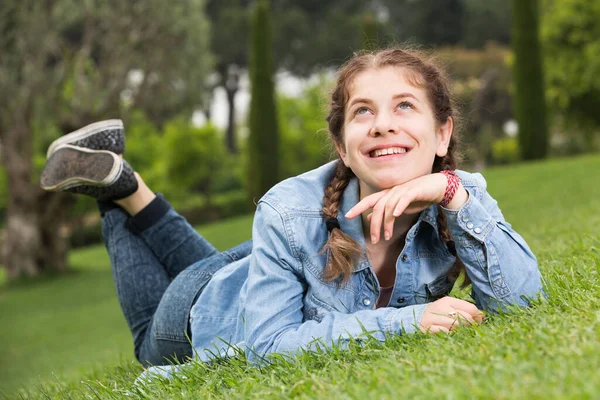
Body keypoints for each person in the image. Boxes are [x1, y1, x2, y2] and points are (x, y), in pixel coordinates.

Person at [40, 48, 544, 368]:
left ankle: (126, 184)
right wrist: (408, 321)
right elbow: (267, 346)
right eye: (363, 111)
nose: (383, 124)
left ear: (443, 133)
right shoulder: (291, 209)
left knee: (217, 265)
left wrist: (454, 197)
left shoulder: (462, 194)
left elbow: (523, 302)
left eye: (404, 106)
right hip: (199, 312)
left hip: (248, 268)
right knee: (147, 342)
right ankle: (115, 191)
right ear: (343, 147)